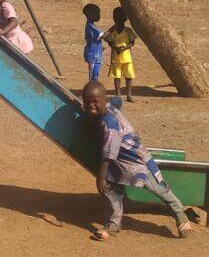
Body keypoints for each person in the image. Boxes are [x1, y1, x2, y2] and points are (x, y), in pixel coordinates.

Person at [82, 80, 192, 240]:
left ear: (104, 101)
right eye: (86, 101)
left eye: (94, 101)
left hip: (136, 160)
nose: (90, 105)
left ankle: (180, 214)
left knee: (158, 188)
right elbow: (118, 101)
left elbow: (108, 152)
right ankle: (112, 225)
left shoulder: (110, 123)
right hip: (118, 162)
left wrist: (101, 175)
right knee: (111, 192)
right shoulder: (110, 104)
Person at [103, 6, 137, 102]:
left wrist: (123, 48)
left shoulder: (128, 31)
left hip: (127, 58)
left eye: (119, 18)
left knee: (129, 76)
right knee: (117, 77)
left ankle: (129, 94)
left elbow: (132, 43)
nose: (117, 20)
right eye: (115, 18)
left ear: (125, 19)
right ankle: (118, 94)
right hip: (115, 59)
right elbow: (107, 40)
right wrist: (115, 47)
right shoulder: (113, 31)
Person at [83, 3, 104, 81]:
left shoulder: (91, 26)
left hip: (95, 53)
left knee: (95, 73)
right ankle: (91, 88)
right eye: (97, 13)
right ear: (90, 15)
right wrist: (114, 28)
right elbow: (103, 36)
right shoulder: (91, 27)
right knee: (93, 74)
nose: (99, 15)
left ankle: (93, 87)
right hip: (93, 54)